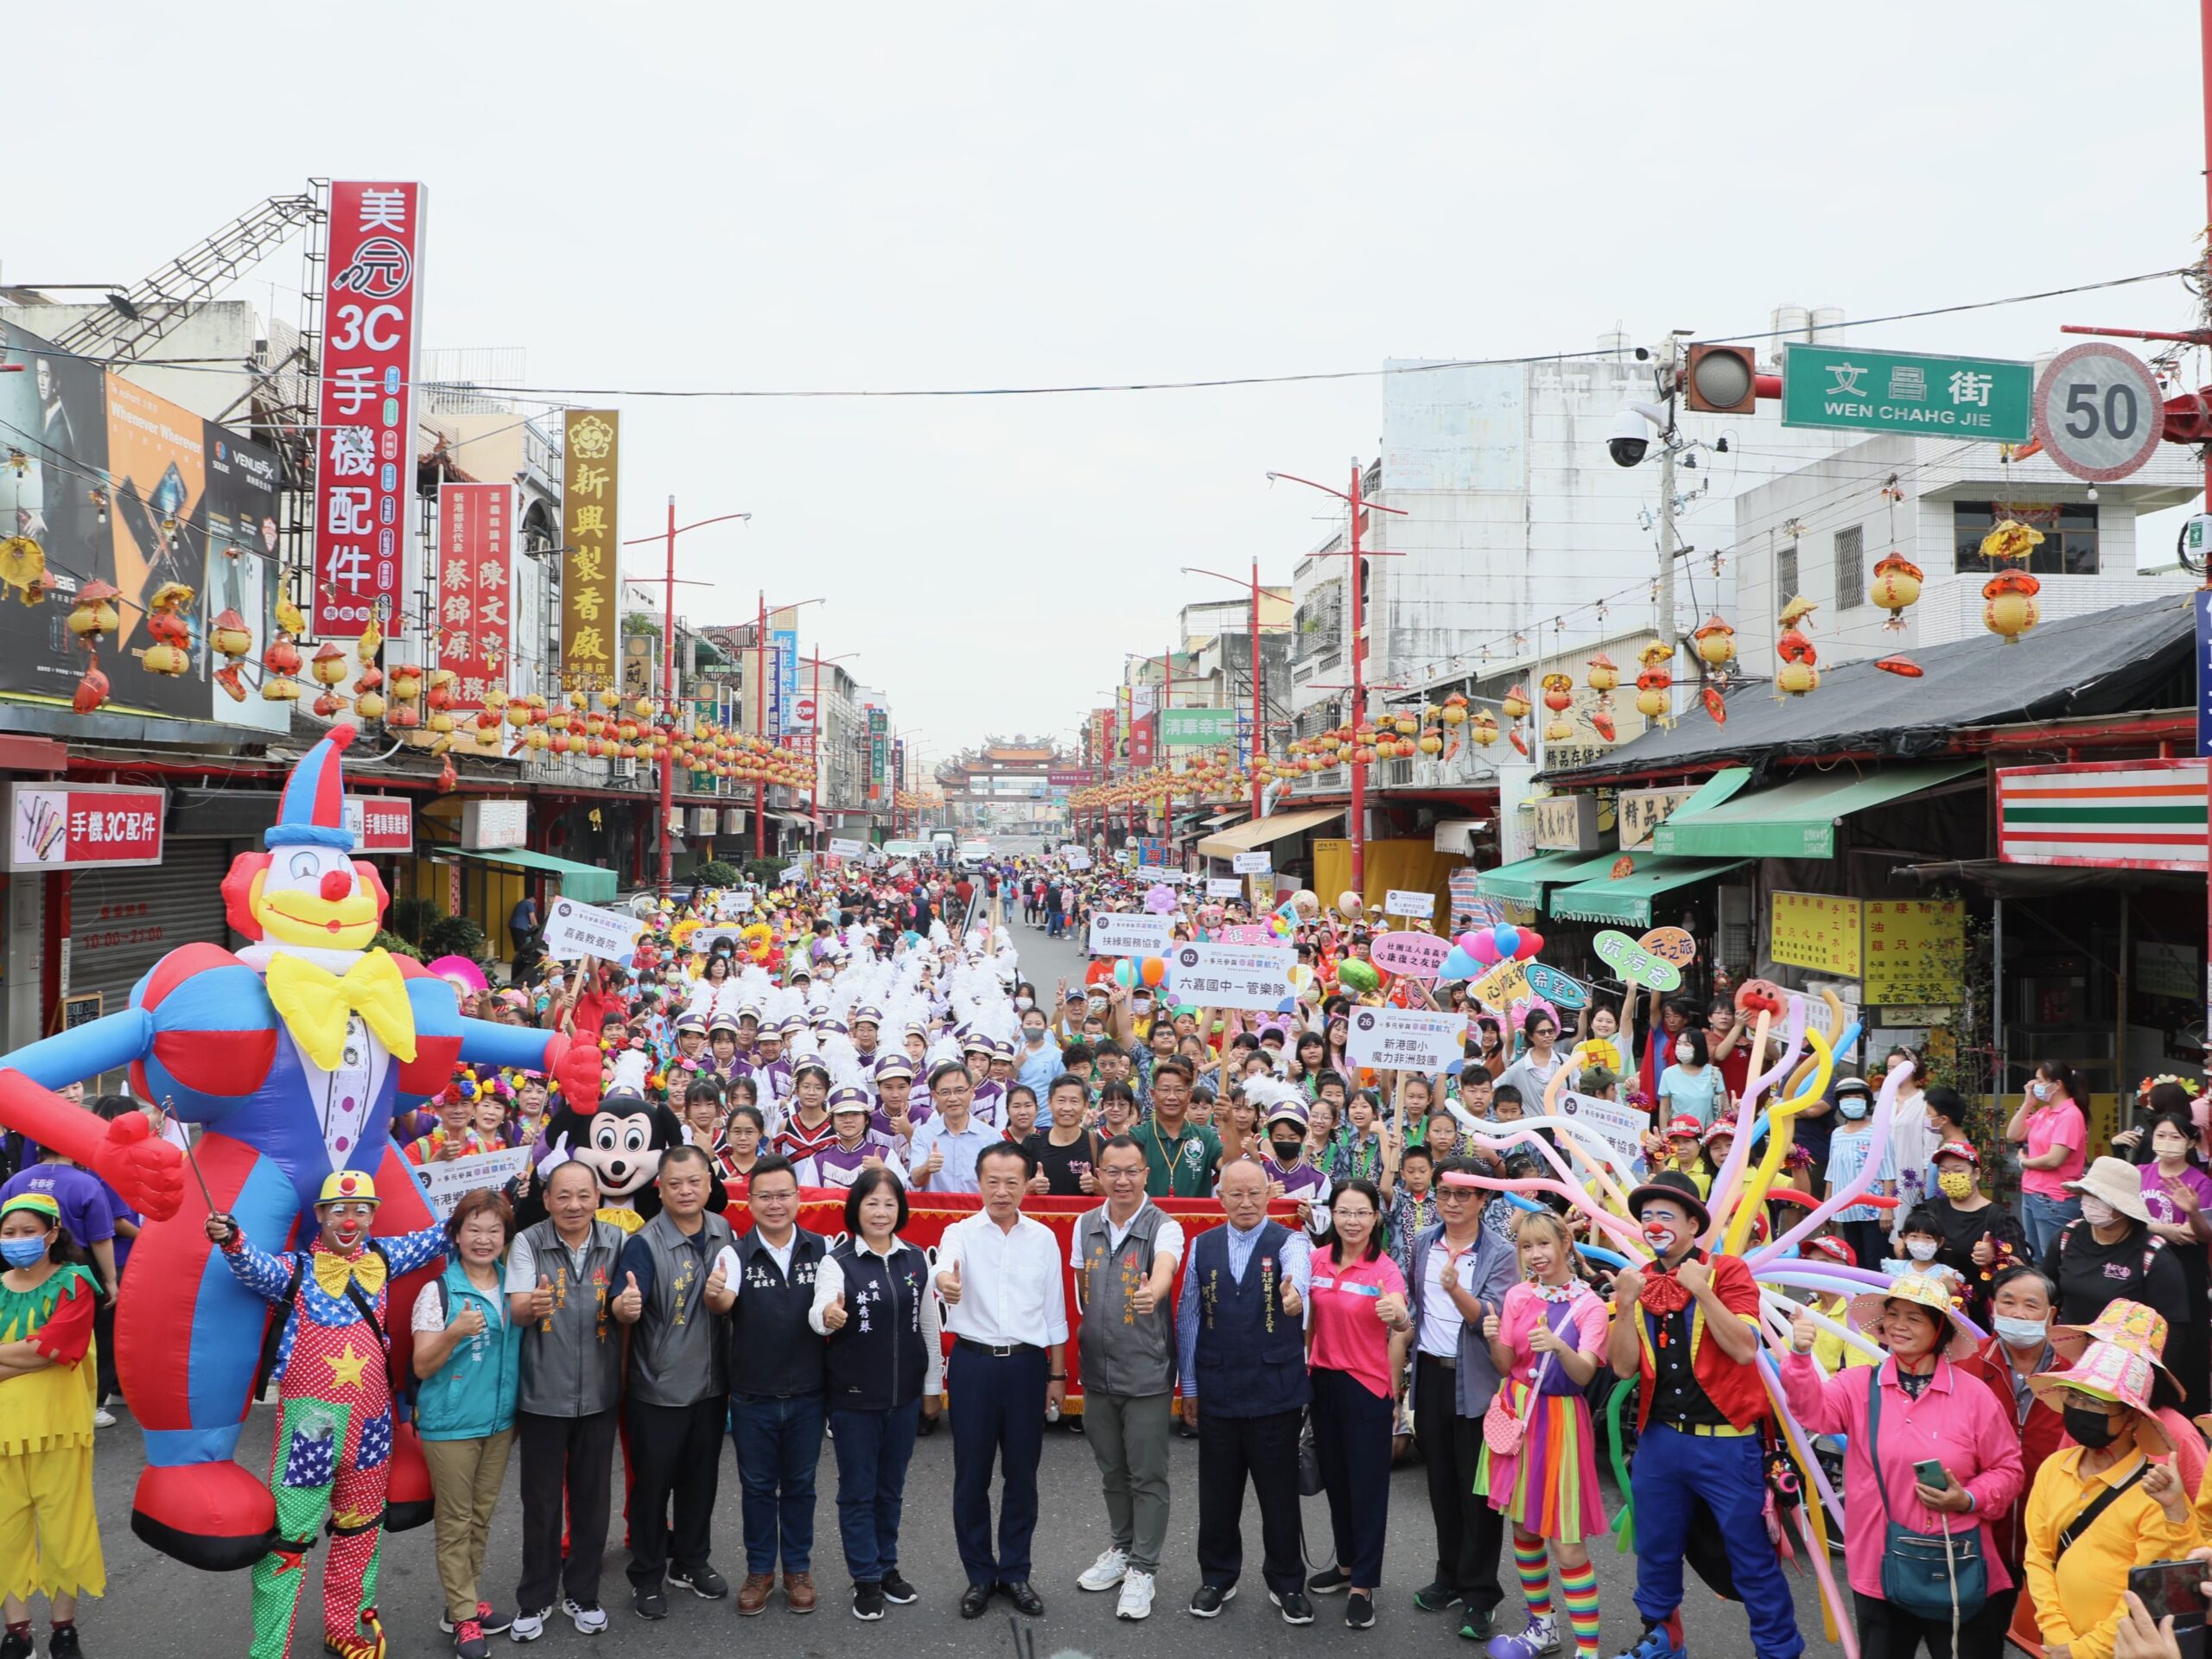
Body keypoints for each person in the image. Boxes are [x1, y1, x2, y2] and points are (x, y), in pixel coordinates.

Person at [206, 1172, 448, 1659]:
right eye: (339, 1209)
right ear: (319, 1215)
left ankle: (347, 1628)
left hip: (372, 1424)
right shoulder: (295, 1269)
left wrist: (506, 1196)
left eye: (361, 1210)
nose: (350, 1219)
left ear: (374, 1216)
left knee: (361, 1531)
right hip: (311, 1425)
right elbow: (254, 1267)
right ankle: (271, 1649)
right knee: (290, 1540)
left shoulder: (383, 1257)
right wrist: (232, 1239)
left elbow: (437, 1237)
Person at [1605, 1170, 1801, 1659]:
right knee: (1655, 1548)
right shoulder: (1639, 1281)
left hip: (1727, 1440)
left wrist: (1705, 1291)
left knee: (1751, 1553)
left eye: (1665, 1214)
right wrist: (1626, 1302)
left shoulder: (1729, 1271)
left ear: (1693, 1225)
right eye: (1646, 1216)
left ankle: (1778, 1650)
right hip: (1660, 1440)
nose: (1653, 1224)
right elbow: (1624, 1366)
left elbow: (1743, 1349)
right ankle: (1661, 1638)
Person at [1783, 1271, 2024, 1659]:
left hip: (1957, 1563)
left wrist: (1968, 1499)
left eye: (1914, 1318)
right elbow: (1812, 1413)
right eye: (1893, 1315)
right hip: (1881, 1563)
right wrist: (1798, 1358)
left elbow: (2009, 1470)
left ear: (1939, 1328)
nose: (1898, 1325)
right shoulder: (1858, 1384)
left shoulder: (1975, 1396)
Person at [1178, 1158, 1315, 1624]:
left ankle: (1287, 1582)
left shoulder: (1290, 1241)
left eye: (1255, 1193)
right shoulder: (1202, 1247)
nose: (1246, 1202)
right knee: (1218, 1493)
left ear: (1268, 1194)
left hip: (1274, 1388)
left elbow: (1301, 1279)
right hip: (1217, 1388)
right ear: (1220, 1197)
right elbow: (1190, 1317)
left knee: (1278, 1494)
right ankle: (1217, 1576)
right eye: (1235, 1194)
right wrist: (1189, 1386)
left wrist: (1299, 1298)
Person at [934, 1141, 1067, 1620]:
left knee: (1022, 1474)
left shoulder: (1043, 1239)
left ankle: (1015, 1572)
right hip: (973, 1366)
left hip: (1028, 1368)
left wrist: (1057, 1374)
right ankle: (978, 1575)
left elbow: (1054, 1310)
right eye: (992, 1181)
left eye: (1013, 1181)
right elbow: (942, 1267)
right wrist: (945, 1280)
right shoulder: (960, 1234)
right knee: (971, 1476)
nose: (1002, 1191)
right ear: (978, 1181)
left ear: (1028, 1183)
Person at [1478, 1210, 1612, 1659]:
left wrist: (1560, 1346)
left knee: (1566, 1542)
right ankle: (1542, 1628)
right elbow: (1504, 1365)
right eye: (1526, 1247)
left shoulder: (1590, 1305)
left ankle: (1588, 1651)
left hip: (1560, 1422)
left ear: (1565, 1245)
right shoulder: (1517, 1295)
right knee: (1524, 1528)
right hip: (1516, 1413)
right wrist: (1493, 1335)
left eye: (1543, 1245)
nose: (1535, 1255)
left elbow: (1584, 1373)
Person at [810, 1166, 942, 1620]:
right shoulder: (838, 1262)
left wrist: (932, 1387)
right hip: (853, 1399)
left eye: (889, 1203)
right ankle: (864, 1577)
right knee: (858, 1491)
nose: (881, 1212)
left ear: (900, 1208)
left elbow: (928, 1326)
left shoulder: (915, 1260)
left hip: (903, 1398)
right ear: (856, 1209)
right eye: (872, 1203)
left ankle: (887, 1567)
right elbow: (819, 1309)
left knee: (891, 1489)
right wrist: (828, 1315)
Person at [613, 1143, 736, 1622]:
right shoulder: (644, 1243)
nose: (686, 1190)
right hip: (660, 1390)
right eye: (675, 1183)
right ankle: (646, 1575)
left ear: (709, 1184)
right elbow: (624, 1298)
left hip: (711, 1385)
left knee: (701, 1482)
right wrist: (623, 1306)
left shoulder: (724, 1231)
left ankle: (690, 1561)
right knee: (653, 1487)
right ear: (659, 1188)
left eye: (695, 1181)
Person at [505, 1160, 626, 1640]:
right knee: (540, 1504)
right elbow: (517, 1309)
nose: (574, 1205)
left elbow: (625, 1302)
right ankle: (534, 1599)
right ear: (549, 1200)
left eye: (583, 1195)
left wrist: (626, 1307)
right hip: (541, 1395)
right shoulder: (529, 1242)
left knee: (593, 1500)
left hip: (599, 1395)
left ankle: (584, 1593)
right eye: (564, 1196)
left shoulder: (617, 1242)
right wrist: (529, 1306)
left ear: (597, 1198)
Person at [2022, 1329, 2195, 1659]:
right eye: (2075, 1397)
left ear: (2131, 1418)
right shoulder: (2053, 1467)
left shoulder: (2157, 1490)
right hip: (2057, 1645)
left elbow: (2145, 1591)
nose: (2080, 1409)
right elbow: (2039, 1556)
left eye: (2096, 1402)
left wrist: (2085, 1651)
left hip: (2123, 1649)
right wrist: (2057, 1634)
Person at [1067, 1134, 1184, 1621]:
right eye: (1111, 1171)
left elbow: (1164, 1269)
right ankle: (1120, 1549)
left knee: (1147, 1475)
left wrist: (1151, 1293)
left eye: (1131, 1170)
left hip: (1146, 1372)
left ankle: (1144, 1567)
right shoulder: (1084, 1224)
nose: (1122, 1180)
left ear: (1145, 1174)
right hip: (1098, 1371)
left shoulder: (1165, 1226)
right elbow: (1083, 1290)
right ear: (1098, 1176)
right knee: (1111, 1470)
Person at [708, 1155, 828, 1616]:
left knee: (800, 1485)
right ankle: (760, 1570)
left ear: (798, 1198)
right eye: (765, 1196)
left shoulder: (821, 1250)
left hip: (808, 1394)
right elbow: (721, 1299)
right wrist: (716, 1295)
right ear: (750, 1201)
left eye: (783, 1195)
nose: (775, 1205)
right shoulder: (733, 1255)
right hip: (753, 1395)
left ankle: (797, 1568)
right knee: (756, 1488)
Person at [1407, 1160, 1520, 1638]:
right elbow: (1414, 1308)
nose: (1451, 1203)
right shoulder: (1422, 1242)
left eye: (1463, 1195)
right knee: (1440, 1487)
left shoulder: (1501, 1253)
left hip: (1476, 1384)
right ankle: (1448, 1576)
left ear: (1482, 1201)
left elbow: (1491, 1321)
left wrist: (1456, 1292)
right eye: (1444, 1193)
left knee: (1477, 1494)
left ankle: (1480, 1594)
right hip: (1429, 1376)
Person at [413, 1190, 523, 1659]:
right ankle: (462, 1616)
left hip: (499, 1421)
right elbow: (421, 1365)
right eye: (473, 1229)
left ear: (505, 1237)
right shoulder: (437, 1291)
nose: (483, 1239)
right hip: (451, 1424)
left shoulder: (513, 1284)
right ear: (455, 1235)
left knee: (480, 1515)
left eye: (493, 1230)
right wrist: (455, 1332)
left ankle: (464, 1600)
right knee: (455, 1521)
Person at [1300, 1178, 1411, 1630]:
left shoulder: (1384, 1269)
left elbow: (1402, 1318)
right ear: (1333, 1215)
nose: (1352, 1221)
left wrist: (1399, 1315)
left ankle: (1364, 1582)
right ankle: (1345, 1564)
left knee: (1367, 1488)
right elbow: (1306, 1320)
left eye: (1361, 1213)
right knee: (1338, 1480)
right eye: (1344, 1212)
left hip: (1366, 1388)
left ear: (1375, 1218)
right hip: (1322, 1383)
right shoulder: (1315, 1261)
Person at [0, 1193, 102, 1659]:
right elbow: (41, 1350)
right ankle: (16, 1632)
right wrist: (34, 1352)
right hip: (3, 1433)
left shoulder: (74, 1282)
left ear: (53, 1234)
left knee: (65, 1530)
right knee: (5, 1532)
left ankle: (65, 1630)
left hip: (59, 1429)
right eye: (9, 1233)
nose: (18, 1240)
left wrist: (37, 1352)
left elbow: (59, 1346)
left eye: (27, 1231)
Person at [1955, 1266, 2071, 1648]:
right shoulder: (1965, 1371)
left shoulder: (2076, 1376)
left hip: (2055, 1541)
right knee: (1979, 1641)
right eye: (2008, 1302)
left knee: (2057, 1643)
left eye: (2031, 1305)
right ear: (1992, 1307)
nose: (2018, 1314)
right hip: (1983, 1537)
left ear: (2052, 1315)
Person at [2042, 1157, 2190, 1333]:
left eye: (2099, 1198)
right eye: (2087, 1194)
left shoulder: (2153, 1256)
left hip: (2124, 1357)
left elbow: (2172, 1326)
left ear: (2124, 1207)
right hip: (2067, 1352)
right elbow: (2046, 1295)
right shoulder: (2066, 1237)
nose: (2090, 1203)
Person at [2136, 1111, 2212, 1415]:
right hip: (2145, 1268)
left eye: (2176, 1137)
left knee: (2184, 1343)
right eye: (2161, 1136)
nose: (2167, 1143)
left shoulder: (2200, 1182)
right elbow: (2126, 1216)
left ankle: (2185, 1415)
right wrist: (2163, 1229)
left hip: (2185, 1270)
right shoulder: (2139, 1172)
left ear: (2191, 1142)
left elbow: (2204, 1235)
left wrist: (2192, 1212)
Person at [1919, 1140, 2030, 1326]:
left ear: (1976, 1173)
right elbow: (1904, 1251)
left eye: (1958, 1170)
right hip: (1929, 1312)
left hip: (1975, 1318)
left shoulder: (1997, 1218)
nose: (1950, 1176)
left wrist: (1996, 1256)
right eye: (1944, 1171)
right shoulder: (1929, 1210)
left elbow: (2023, 1272)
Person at [2009, 1061, 2089, 1258]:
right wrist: (2028, 1103)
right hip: (2033, 1192)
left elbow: (2055, 1159)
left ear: (2057, 1084)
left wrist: (2024, 1163)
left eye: (2039, 1080)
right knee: (2035, 1256)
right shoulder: (2044, 1112)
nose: (2034, 1084)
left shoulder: (2070, 1115)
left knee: (2052, 1257)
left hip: (2053, 1198)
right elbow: (2014, 1134)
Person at [1823, 1076, 1895, 1274]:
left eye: (1857, 1096)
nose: (1852, 1100)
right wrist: (1826, 1206)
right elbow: (1832, 1171)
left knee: (1874, 1263)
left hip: (1872, 1211)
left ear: (1866, 1101)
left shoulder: (1878, 1132)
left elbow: (1889, 1171)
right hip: (1846, 1210)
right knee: (1853, 1262)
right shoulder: (1837, 1134)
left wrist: (1887, 1208)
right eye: (1847, 1097)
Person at [1130, 1058, 1221, 1198]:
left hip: (1193, 1218)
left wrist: (1229, 1123)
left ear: (1189, 1095)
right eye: (1165, 1090)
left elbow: (1228, 1167)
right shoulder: (1136, 1137)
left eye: (1179, 1090)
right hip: (1150, 1219)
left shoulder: (1207, 1137)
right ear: (1153, 1094)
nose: (1172, 1097)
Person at [908, 1063, 999, 1195]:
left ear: (972, 1092)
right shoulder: (923, 1134)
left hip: (977, 1212)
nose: (953, 1098)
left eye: (959, 1091)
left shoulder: (991, 1137)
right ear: (934, 1096)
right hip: (937, 1213)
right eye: (945, 1092)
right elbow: (916, 1180)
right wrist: (926, 1168)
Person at [1656, 1027, 1727, 1130]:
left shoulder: (1714, 1074)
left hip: (1706, 1135)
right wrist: (1664, 1135)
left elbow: (1723, 1108)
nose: (1681, 1048)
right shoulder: (1668, 1074)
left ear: (1698, 1047)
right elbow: (1664, 1109)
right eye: (1678, 1043)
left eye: (1687, 1044)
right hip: (1679, 1134)